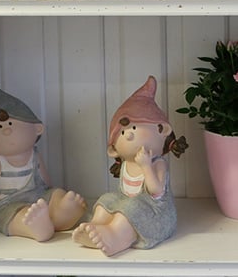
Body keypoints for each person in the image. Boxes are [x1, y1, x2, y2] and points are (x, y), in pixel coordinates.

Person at [0, 75, 86, 241]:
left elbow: (46, 182)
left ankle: (62, 214)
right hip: (6, 204)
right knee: (15, 217)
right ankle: (35, 227)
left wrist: (54, 197)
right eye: (0, 127)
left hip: (37, 195)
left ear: (37, 129)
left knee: (56, 194)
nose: (7, 131)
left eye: (11, 124)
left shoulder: (34, 154)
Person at [72, 76, 187, 256]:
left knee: (132, 208)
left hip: (156, 215)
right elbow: (123, 196)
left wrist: (146, 166)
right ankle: (96, 227)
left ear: (162, 131)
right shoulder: (126, 164)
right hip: (129, 205)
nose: (129, 135)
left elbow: (156, 191)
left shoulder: (157, 164)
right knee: (107, 200)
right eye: (123, 132)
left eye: (134, 129)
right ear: (114, 150)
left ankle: (115, 237)